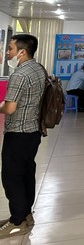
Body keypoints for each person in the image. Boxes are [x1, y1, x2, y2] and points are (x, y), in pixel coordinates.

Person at [0, 34, 46, 238]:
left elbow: (10, 108)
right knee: (26, 173)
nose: (7, 52)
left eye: (10, 48)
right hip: (33, 131)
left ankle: (17, 221)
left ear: (22, 52)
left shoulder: (19, 74)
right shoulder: (38, 68)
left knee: (12, 177)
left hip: (18, 132)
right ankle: (26, 215)